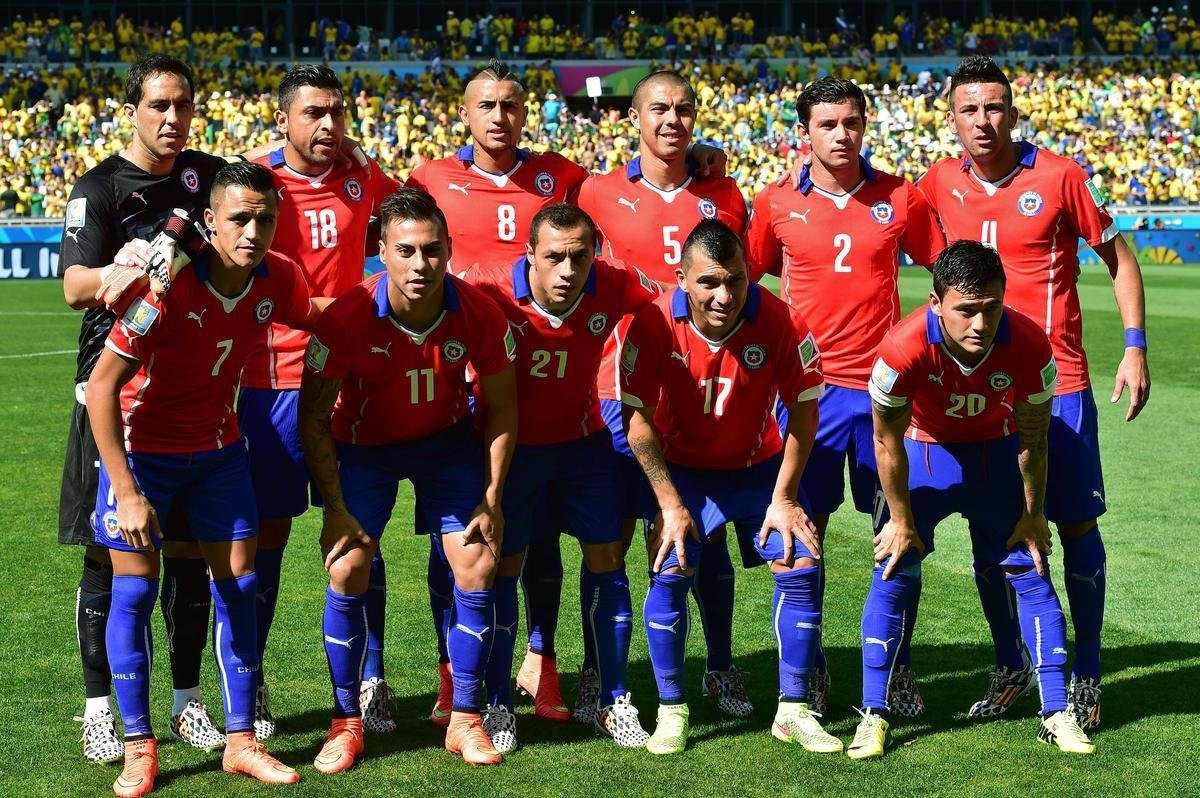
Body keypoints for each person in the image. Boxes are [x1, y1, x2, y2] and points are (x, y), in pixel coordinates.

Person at [918, 56, 1151, 729]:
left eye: (995, 108)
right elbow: (866, 208)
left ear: (1013, 115)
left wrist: (1134, 347)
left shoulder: (1058, 175)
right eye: (970, 109)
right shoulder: (936, 183)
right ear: (953, 119)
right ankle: (1011, 664)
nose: (983, 121)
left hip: (1060, 385)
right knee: (993, 532)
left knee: (1076, 526)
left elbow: (1119, 258)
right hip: (978, 390)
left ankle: (1086, 671)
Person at [85, 161, 318, 796]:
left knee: (239, 587)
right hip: (145, 456)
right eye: (240, 218)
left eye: (265, 218)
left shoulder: (278, 278)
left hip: (221, 453)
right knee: (133, 595)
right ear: (210, 223)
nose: (253, 230)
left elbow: (321, 319)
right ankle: (139, 746)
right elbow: (102, 387)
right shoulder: (168, 287)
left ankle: (241, 741)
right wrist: (127, 489)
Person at [298, 188, 517, 770]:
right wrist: (334, 508)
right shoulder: (344, 318)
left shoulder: (478, 311)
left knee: (477, 560)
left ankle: (465, 719)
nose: (420, 265)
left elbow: (501, 407)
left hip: (445, 447)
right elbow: (313, 416)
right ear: (381, 253)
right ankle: (346, 722)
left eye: (432, 251)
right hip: (364, 448)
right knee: (347, 564)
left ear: (448, 250)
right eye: (406, 251)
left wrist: (492, 496)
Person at [849, 240, 1094, 760]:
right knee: (893, 566)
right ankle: (874, 714)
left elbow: (1034, 438)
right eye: (965, 310)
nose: (979, 324)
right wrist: (898, 518)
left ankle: (1055, 711)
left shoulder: (1031, 346)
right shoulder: (901, 348)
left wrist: (1033, 514)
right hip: (924, 454)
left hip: (994, 454)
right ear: (935, 303)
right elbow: (885, 438)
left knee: (1031, 569)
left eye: (991, 308)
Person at [746, 76, 945, 716]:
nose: (842, 134)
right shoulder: (775, 203)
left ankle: (896, 671)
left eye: (852, 122)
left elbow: (946, 277)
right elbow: (740, 288)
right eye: (828, 124)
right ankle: (808, 676)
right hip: (810, 394)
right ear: (804, 133)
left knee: (896, 532)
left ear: (866, 125)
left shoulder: (900, 199)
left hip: (886, 393)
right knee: (803, 536)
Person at [59, 54, 228, 763]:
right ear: (132, 108)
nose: (171, 118)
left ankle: (188, 703)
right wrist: (128, 269)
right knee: (109, 554)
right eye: (158, 105)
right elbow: (73, 288)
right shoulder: (99, 188)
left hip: (187, 391)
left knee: (188, 555)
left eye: (182, 105)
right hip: (112, 387)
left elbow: (249, 209)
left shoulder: (205, 174)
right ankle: (99, 707)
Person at [573, 69, 749, 722]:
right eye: (658, 109)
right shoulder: (595, 192)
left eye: (682, 109)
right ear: (635, 118)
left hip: (702, 394)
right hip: (618, 391)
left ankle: (721, 667)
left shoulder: (724, 193)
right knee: (612, 537)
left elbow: (739, 288)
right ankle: (599, 673)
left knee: (705, 535)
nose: (671, 120)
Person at [620, 220, 833, 755]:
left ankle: (793, 709)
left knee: (801, 561)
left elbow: (805, 416)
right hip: (685, 471)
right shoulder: (650, 324)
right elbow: (637, 421)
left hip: (756, 469)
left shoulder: (781, 319)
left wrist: (784, 497)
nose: (724, 296)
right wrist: (668, 505)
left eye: (735, 281)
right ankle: (672, 709)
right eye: (709, 282)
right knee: (670, 567)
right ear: (682, 280)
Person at [460, 203, 659, 751]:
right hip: (512, 452)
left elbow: (673, 300)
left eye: (581, 257)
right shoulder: (487, 287)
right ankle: (498, 701)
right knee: (504, 566)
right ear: (531, 255)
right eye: (555, 257)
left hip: (584, 445)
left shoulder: (614, 282)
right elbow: (426, 303)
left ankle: (612, 697)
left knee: (607, 559)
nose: (569, 270)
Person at [242, 63, 402, 738]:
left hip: (350, 381)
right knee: (268, 533)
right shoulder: (254, 180)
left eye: (337, 112)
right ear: (283, 120)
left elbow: (413, 212)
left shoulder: (362, 177)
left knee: (359, 532)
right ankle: (250, 682)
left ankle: (372, 678)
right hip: (271, 378)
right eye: (313, 113)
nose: (328, 125)